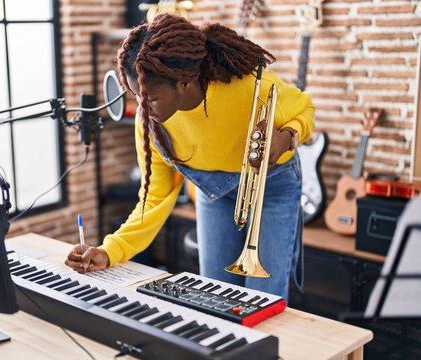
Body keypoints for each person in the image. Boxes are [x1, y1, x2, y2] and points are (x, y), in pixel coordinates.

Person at [65, 13, 314, 301]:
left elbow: (305, 109)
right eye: (136, 97)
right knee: (215, 295)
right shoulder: (150, 124)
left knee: (264, 297)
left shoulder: (245, 87)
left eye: (152, 99)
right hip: (214, 194)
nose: (143, 109)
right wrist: (109, 251)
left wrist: (288, 136)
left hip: (272, 188)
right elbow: (153, 198)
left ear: (184, 83)